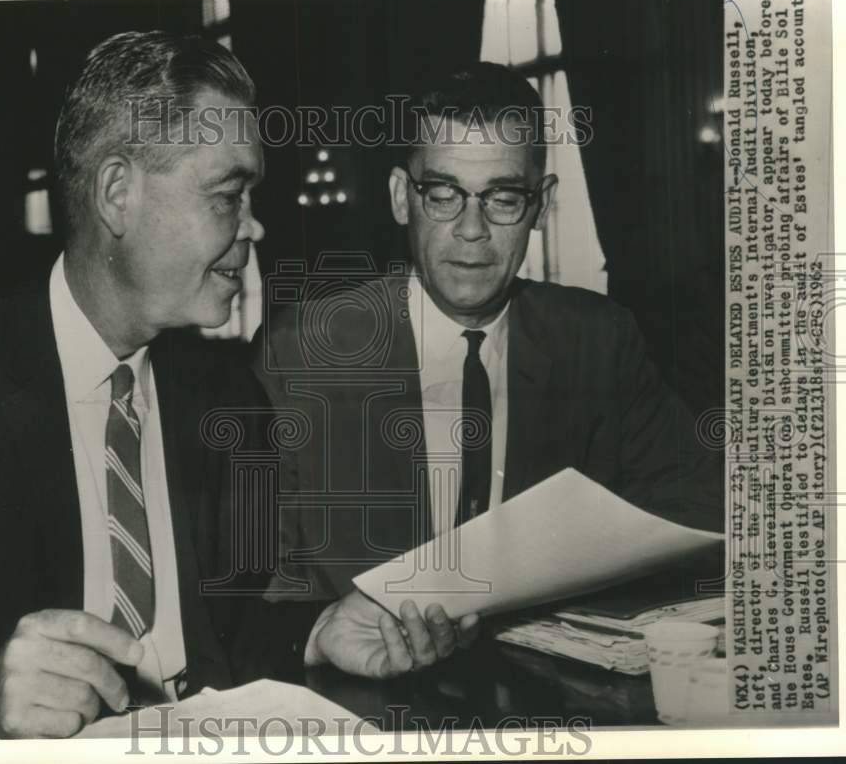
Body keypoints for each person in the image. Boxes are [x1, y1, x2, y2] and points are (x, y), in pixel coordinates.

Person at [0, 31, 302, 741]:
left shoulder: (232, 404)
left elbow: (238, 634)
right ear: (118, 194)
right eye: (229, 194)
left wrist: (316, 637)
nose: (256, 223)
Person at [252, 62, 723, 673]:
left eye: (503, 198)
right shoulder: (303, 351)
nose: (471, 230)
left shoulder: (598, 341)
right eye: (443, 194)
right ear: (402, 196)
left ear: (542, 204)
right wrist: (320, 629)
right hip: (364, 702)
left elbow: (699, 507)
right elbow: (256, 578)